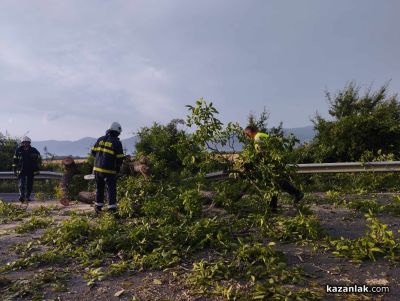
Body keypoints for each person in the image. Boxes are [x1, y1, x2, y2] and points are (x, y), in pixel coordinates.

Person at [244, 126, 304, 211]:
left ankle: (274, 207)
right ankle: (275, 206)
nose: (247, 137)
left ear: (249, 133)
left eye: (246, 135)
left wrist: (255, 161)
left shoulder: (257, 137)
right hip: (275, 161)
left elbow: (262, 152)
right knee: (276, 183)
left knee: (272, 184)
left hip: (271, 164)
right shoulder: (263, 135)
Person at [91, 122, 124, 215]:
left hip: (97, 170)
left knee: (99, 188)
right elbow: (120, 158)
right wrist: (117, 169)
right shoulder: (117, 142)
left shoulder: (100, 139)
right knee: (111, 189)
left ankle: (98, 208)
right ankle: (112, 209)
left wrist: (99, 160)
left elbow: (93, 152)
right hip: (109, 170)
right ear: (117, 132)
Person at [12, 136, 41, 202]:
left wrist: (35, 157)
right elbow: (14, 160)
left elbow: (39, 157)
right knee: (21, 184)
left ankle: (27, 197)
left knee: (29, 184)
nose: (25, 143)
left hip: (31, 170)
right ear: (22, 143)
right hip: (21, 170)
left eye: (27, 142)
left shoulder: (33, 150)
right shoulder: (18, 150)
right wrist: (14, 169)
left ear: (29, 143)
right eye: (24, 142)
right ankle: (22, 196)